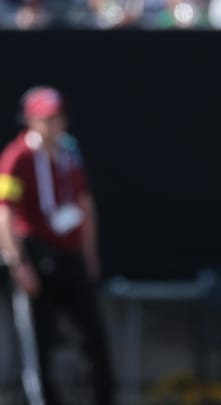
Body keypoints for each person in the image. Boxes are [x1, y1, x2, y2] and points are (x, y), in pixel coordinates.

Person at [0, 86, 114, 405]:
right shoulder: (16, 156)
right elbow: (4, 211)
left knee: (94, 337)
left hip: (70, 257)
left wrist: (89, 255)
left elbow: (85, 203)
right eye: (47, 119)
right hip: (36, 258)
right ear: (31, 121)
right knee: (39, 344)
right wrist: (18, 263)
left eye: (58, 118)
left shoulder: (69, 153)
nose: (54, 125)